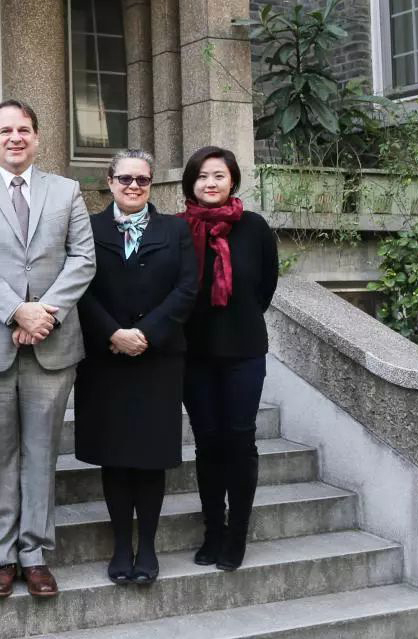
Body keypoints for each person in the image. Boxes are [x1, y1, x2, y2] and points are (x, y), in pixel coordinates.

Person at [0, 99, 95, 599]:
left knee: (41, 452)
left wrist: (43, 314)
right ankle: (1, 555)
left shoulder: (67, 191)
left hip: (52, 345)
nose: (15, 137)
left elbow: (83, 258)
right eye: (6, 130)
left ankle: (34, 554)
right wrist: (16, 312)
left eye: (24, 129)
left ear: (37, 137)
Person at [74, 149, 198, 586]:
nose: (133, 186)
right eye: (124, 178)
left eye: (142, 180)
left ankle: (147, 546)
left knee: (149, 457)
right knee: (114, 456)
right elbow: (78, 288)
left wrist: (146, 332)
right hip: (105, 358)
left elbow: (187, 287)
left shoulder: (175, 230)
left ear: (151, 184)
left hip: (157, 358)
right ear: (109, 182)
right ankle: (120, 547)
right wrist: (113, 333)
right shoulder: (88, 229)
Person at [177, 146, 279, 572]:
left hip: (244, 351)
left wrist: (237, 317)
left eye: (218, 175)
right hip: (194, 354)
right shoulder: (178, 229)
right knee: (207, 443)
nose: (210, 183)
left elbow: (266, 286)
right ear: (191, 183)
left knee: (239, 440)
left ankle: (237, 533)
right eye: (202, 176)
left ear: (232, 180)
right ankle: (213, 531)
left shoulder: (255, 228)